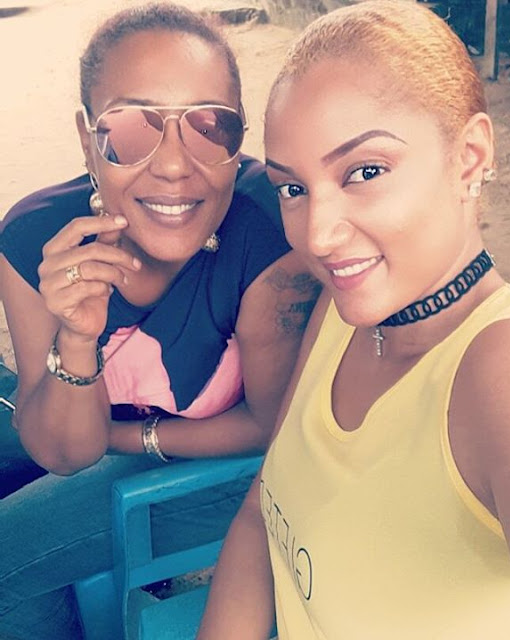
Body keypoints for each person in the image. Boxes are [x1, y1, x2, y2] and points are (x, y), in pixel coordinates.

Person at [196, 2, 510, 638]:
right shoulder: (346, 311)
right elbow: (262, 512)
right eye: (293, 188)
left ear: (470, 157)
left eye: (365, 172)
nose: (318, 236)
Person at [0, 4, 320, 639]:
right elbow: (60, 449)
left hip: (221, 468)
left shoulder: (267, 237)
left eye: (210, 127)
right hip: (92, 439)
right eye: (130, 129)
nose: (174, 165)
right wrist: (77, 336)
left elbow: (264, 426)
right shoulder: (34, 238)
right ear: (87, 138)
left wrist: (120, 438)